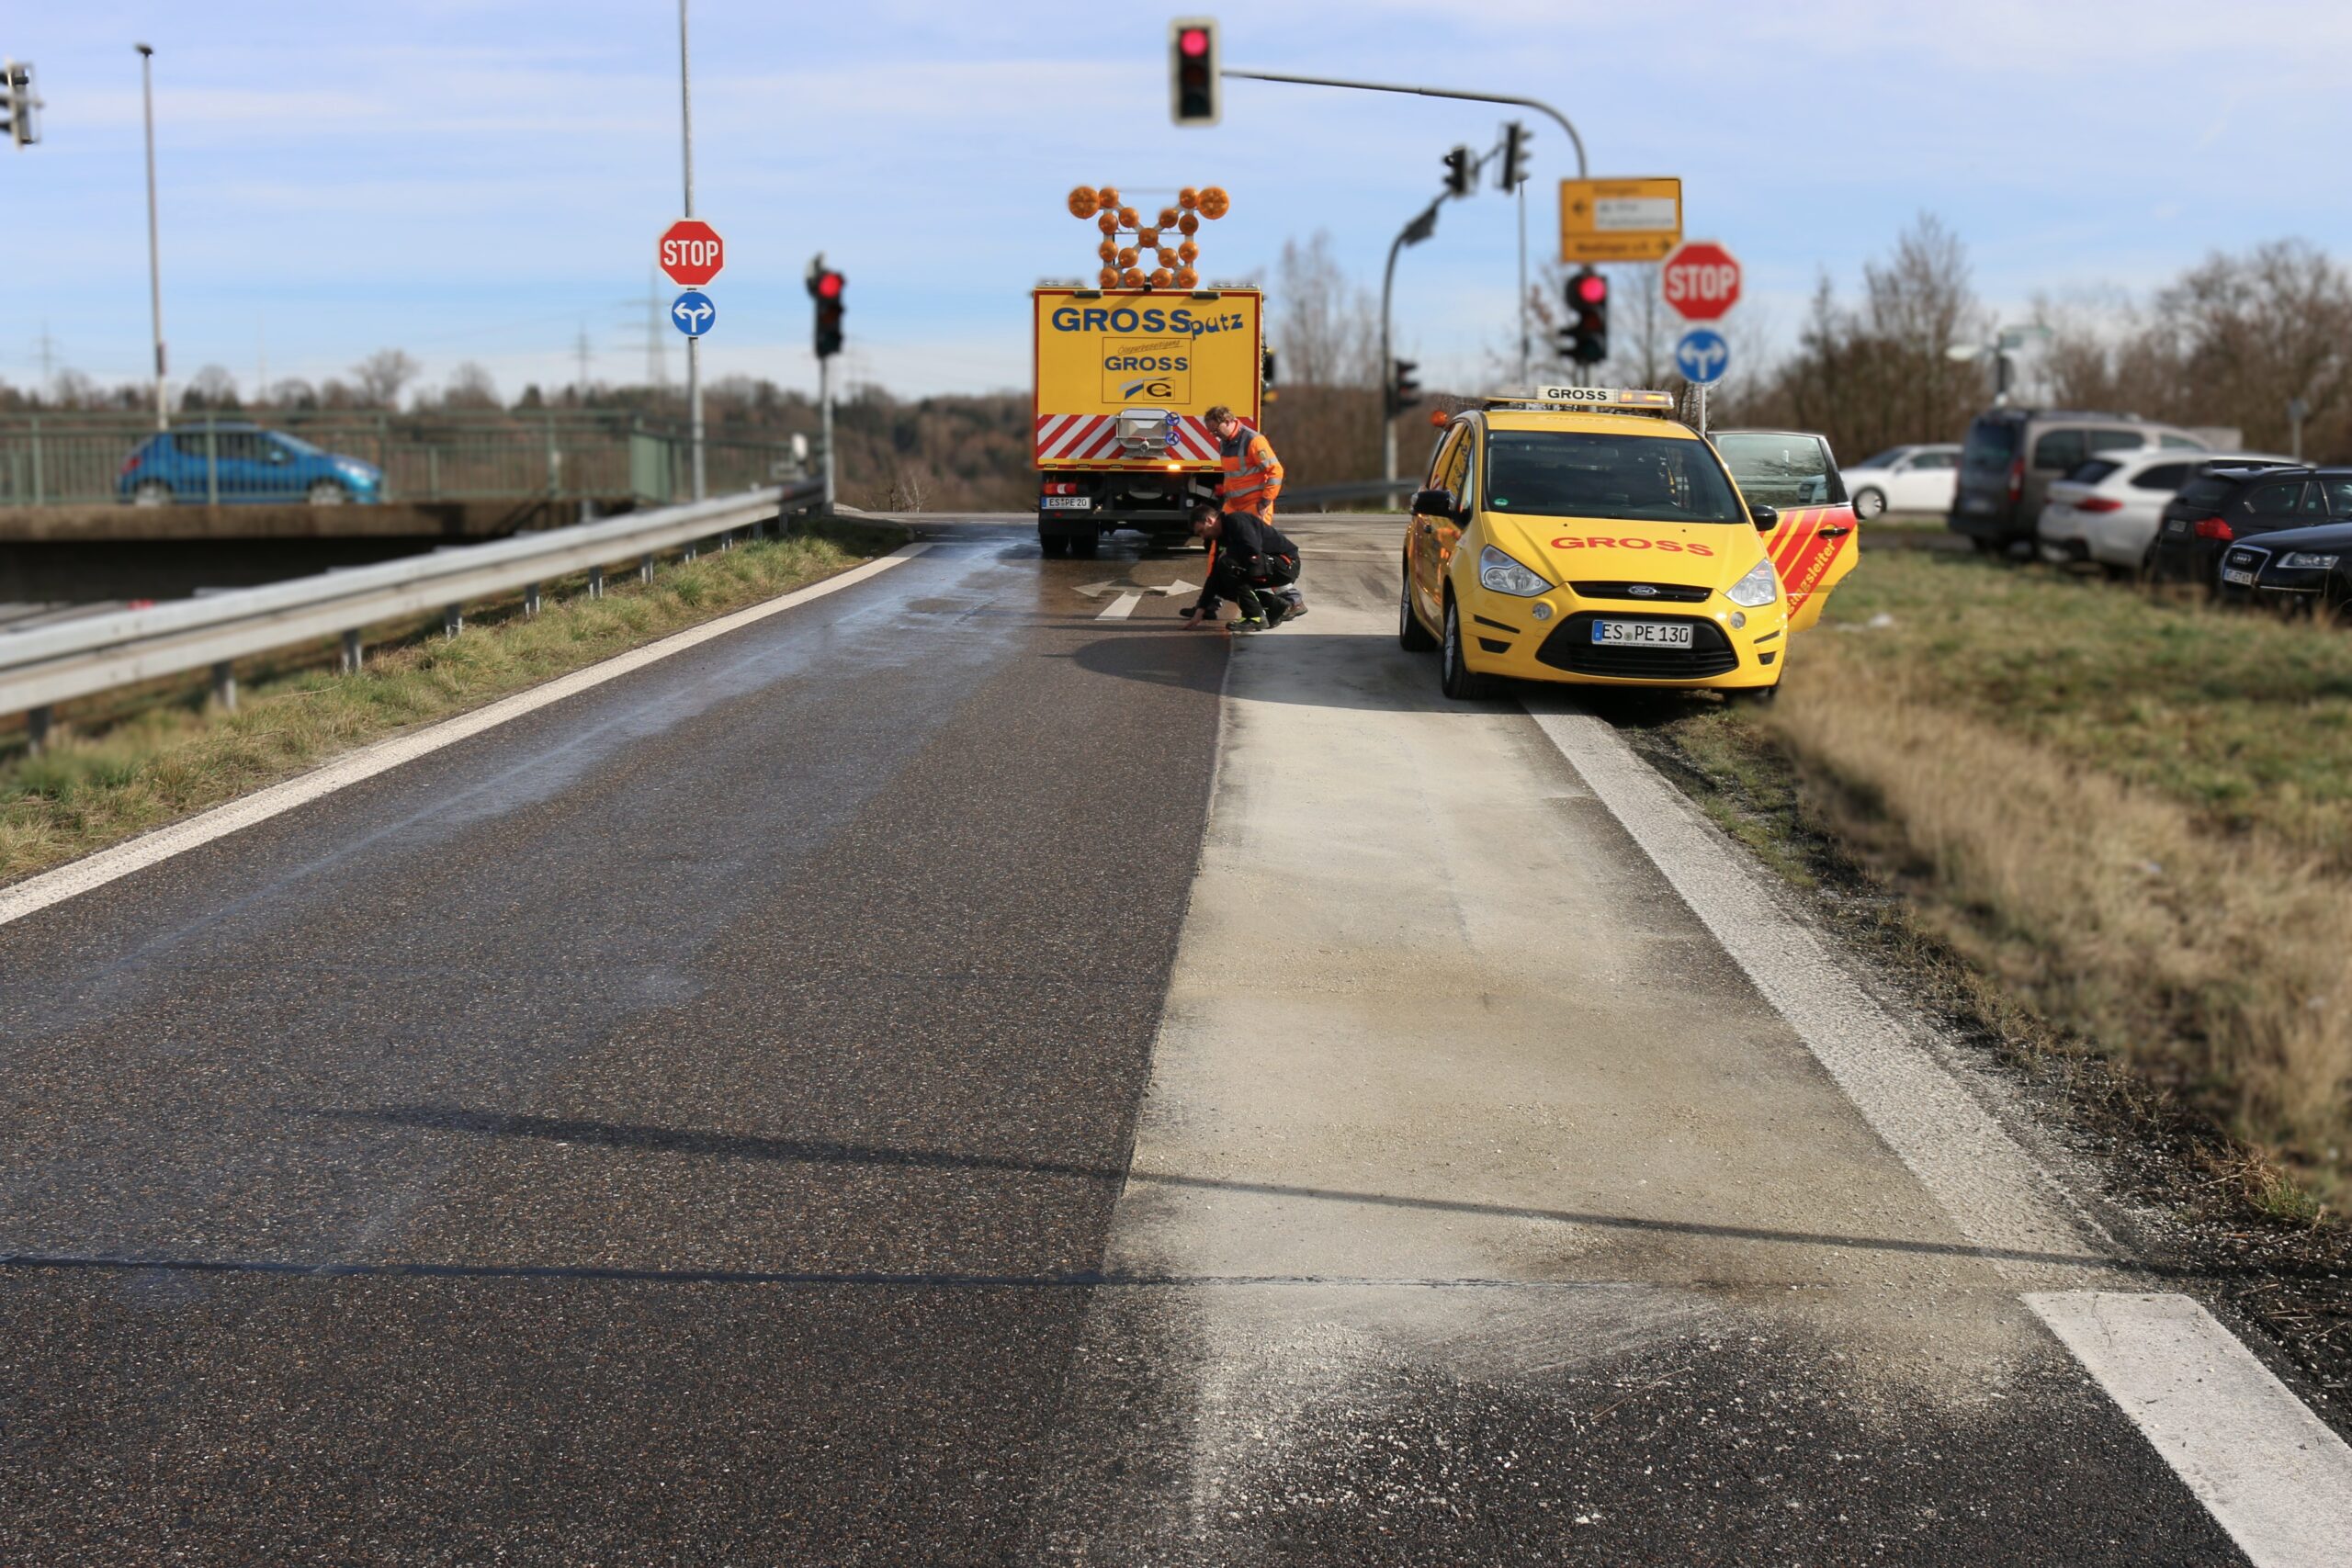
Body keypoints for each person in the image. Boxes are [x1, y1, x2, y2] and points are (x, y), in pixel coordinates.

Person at [1182, 503, 1306, 632]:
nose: (1203, 537)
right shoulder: (1222, 537)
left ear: (1209, 520)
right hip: (1265, 565)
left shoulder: (1236, 520)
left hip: (1286, 564)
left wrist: (1228, 553)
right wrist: (1200, 610)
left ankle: (1254, 617)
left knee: (1227, 563)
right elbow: (1214, 575)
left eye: (1202, 531)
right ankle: (1274, 605)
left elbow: (1253, 547)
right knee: (1220, 583)